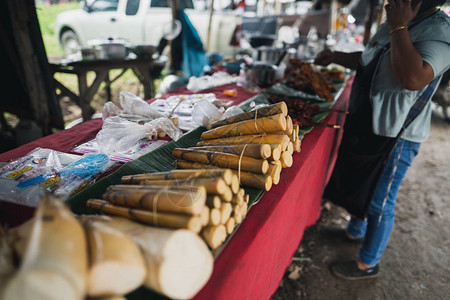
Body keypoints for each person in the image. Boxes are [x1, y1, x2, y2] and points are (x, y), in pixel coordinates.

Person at [314, 0, 450, 280]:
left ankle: (368, 263)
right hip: (369, 122)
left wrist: (399, 26)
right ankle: (355, 231)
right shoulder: (393, 22)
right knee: (361, 182)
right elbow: (368, 59)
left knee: (380, 200)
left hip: (397, 135)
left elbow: (412, 77)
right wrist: (336, 56)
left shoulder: (439, 31)